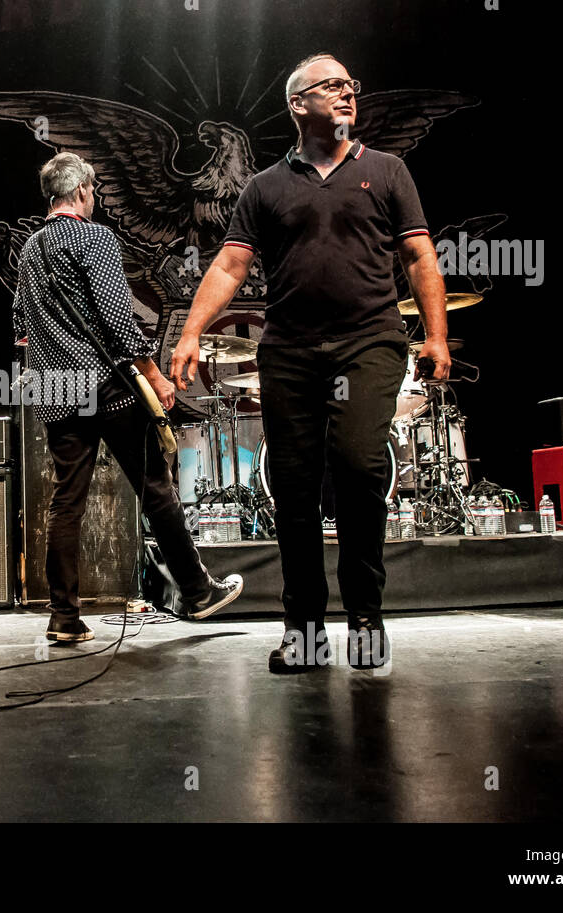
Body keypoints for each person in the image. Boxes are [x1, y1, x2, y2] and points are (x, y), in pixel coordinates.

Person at [170, 54, 451, 672]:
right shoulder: (264, 186)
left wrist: (437, 336)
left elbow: (420, 257)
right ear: (298, 104)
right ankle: (303, 631)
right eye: (332, 86)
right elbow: (229, 265)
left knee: (358, 468)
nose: (348, 93)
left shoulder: (387, 170)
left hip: (369, 341)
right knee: (293, 490)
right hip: (291, 350)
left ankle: (366, 620)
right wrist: (190, 332)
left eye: (352, 85)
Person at [14, 153, 244, 642]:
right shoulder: (93, 237)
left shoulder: (31, 248)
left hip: (54, 387)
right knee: (156, 490)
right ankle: (197, 591)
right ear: (80, 191)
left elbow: (21, 327)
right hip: (106, 384)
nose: (94, 198)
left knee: (66, 502)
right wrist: (156, 377)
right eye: (93, 191)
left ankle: (64, 618)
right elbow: (119, 321)